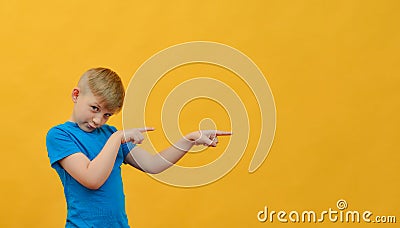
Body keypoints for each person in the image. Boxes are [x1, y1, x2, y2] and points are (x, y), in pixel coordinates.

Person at [46, 67, 232, 227]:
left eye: (107, 115)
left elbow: (153, 164)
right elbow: (92, 179)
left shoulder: (109, 135)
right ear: (76, 95)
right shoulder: (60, 136)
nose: (98, 120)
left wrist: (189, 140)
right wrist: (118, 137)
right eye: (95, 108)